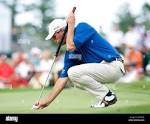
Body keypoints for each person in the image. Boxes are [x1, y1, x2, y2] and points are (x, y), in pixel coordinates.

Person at [33, 10, 125, 109]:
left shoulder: (82, 27)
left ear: (61, 31)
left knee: (72, 72)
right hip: (103, 70)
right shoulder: (70, 54)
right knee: (74, 79)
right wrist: (46, 102)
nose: (55, 41)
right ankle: (106, 96)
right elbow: (62, 80)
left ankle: (107, 96)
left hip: (113, 65)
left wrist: (71, 24)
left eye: (54, 36)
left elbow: (71, 46)